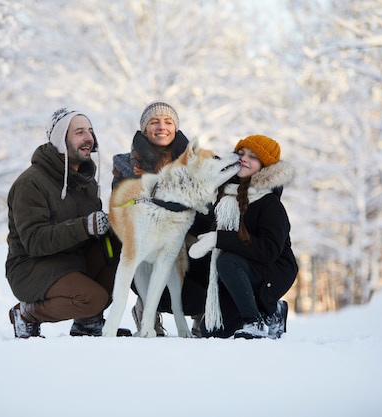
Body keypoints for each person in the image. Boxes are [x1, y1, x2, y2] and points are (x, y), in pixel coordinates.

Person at [5, 107, 129, 338]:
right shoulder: (31, 183)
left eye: (90, 131)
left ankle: (88, 323)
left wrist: (116, 224)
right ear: (61, 140)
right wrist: (84, 226)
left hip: (72, 261)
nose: (89, 138)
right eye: (79, 132)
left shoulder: (86, 182)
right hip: (32, 267)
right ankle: (26, 313)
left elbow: (93, 232)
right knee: (93, 298)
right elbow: (34, 242)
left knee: (123, 250)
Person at [112, 101, 210, 337]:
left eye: (168, 122)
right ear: (145, 129)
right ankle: (147, 308)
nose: (161, 127)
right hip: (146, 239)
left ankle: (201, 312)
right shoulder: (124, 164)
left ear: (175, 128)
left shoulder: (195, 161)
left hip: (185, 235)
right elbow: (123, 203)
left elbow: (206, 200)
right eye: (154, 122)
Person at [188, 134, 298, 339]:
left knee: (227, 260)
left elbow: (269, 250)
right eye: (241, 153)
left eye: (253, 156)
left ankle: (253, 321)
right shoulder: (226, 195)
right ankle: (272, 311)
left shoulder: (270, 204)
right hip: (240, 270)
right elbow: (208, 227)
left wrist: (220, 239)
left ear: (266, 166)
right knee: (211, 331)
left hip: (273, 271)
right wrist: (182, 212)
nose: (244, 158)